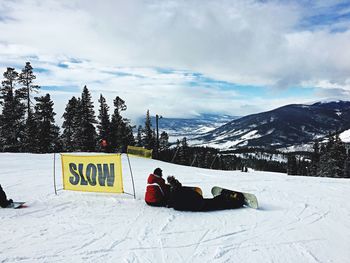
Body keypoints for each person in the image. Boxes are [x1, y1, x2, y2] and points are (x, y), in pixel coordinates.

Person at [167, 176, 244, 212]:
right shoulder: (181, 191)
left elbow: (173, 204)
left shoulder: (173, 194)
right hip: (199, 205)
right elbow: (196, 196)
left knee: (216, 201)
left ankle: (224, 197)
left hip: (195, 205)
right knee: (219, 204)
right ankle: (238, 201)